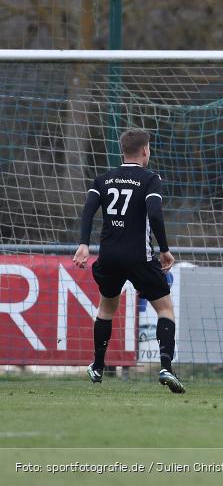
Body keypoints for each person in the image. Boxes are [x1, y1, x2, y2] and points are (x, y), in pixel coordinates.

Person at [73, 129, 183, 393]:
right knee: (165, 309)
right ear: (145, 150)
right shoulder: (150, 179)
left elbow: (88, 210)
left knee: (106, 309)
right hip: (139, 256)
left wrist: (83, 244)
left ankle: (98, 366)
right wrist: (165, 249)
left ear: (122, 150)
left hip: (109, 256)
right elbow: (155, 213)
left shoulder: (103, 179)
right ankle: (166, 366)